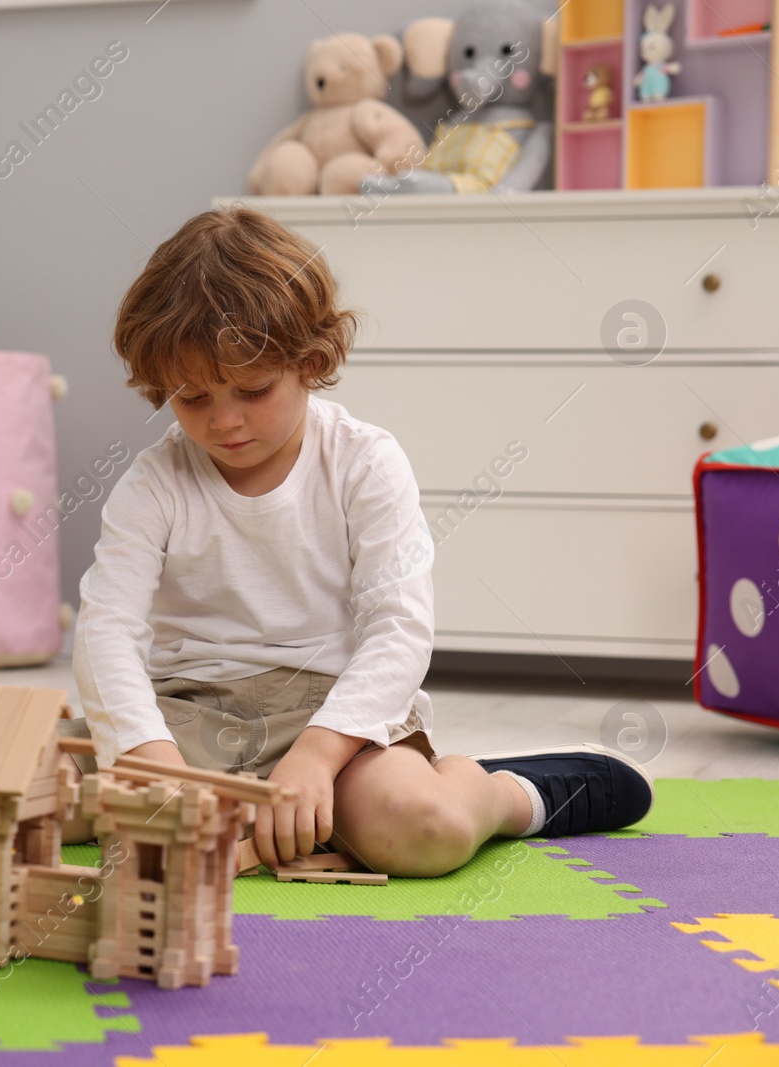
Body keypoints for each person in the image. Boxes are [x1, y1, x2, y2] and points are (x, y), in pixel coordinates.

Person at [60, 207, 652, 875]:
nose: (224, 421)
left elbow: (398, 629)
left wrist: (316, 754)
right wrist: (149, 756)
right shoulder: (154, 484)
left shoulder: (364, 462)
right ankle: (262, 804)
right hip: (187, 712)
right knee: (16, 787)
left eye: (252, 390)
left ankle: (507, 791)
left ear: (309, 363)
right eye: (193, 397)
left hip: (334, 716)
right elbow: (107, 629)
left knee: (425, 827)